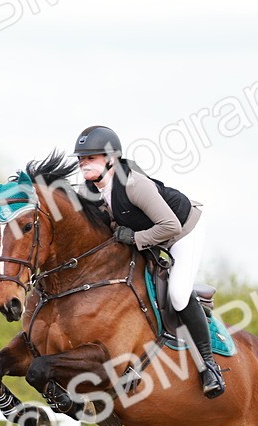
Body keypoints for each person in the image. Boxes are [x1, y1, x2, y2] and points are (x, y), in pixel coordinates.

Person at [72, 125, 224, 399]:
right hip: (148, 235)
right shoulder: (90, 191)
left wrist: (136, 237)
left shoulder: (134, 184)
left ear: (111, 159)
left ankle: (208, 366)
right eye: (82, 159)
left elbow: (170, 226)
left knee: (177, 295)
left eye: (90, 158)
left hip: (182, 231)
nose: (84, 164)